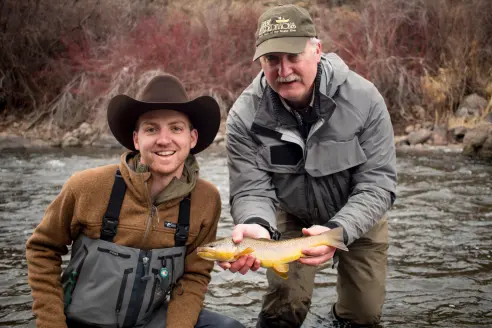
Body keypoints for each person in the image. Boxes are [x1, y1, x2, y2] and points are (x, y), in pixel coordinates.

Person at [222, 4, 397, 328]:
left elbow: (378, 184)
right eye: (272, 59)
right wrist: (256, 225)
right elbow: (250, 188)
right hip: (292, 216)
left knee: (363, 314)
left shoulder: (364, 100)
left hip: (359, 213)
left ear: (317, 51)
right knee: (283, 307)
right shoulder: (245, 116)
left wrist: (336, 231)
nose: (283, 70)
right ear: (261, 61)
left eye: (293, 56)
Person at [25, 74, 245, 328]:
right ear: (136, 139)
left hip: (150, 320)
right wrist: (52, 324)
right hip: (79, 321)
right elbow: (42, 249)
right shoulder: (86, 186)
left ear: (191, 138)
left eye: (176, 128)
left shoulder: (207, 199)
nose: (164, 139)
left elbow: (194, 276)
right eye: (151, 129)